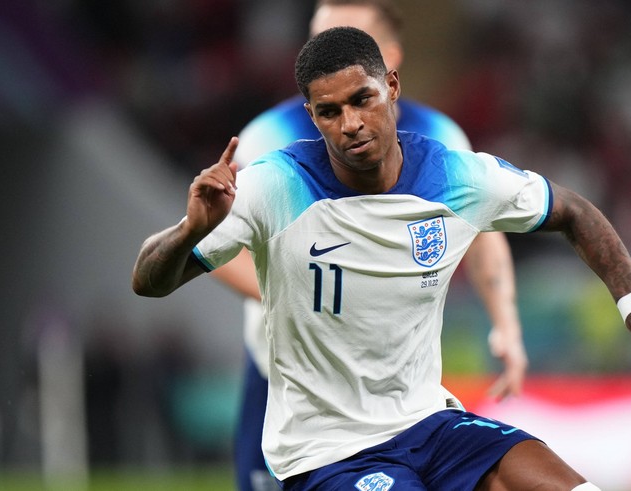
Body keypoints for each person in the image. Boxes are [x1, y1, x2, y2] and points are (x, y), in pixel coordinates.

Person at [132, 26, 631, 490]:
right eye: (329, 112)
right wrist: (190, 231)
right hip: (328, 450)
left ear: (391, 87)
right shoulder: (272, 186)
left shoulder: (455, 176)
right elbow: (148, 281)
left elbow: (572, 210)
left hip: (431, 424)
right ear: (311, 116)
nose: (350, 123)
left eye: (362, 100)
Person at [211, 2, 527, 488]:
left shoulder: (441, 137)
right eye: (318, 38)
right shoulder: (267, 139)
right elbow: (217, 246)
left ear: (389, 62)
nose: (328, 53)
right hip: (288, 377)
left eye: (348, 38)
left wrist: (505, 321)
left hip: (392, 389)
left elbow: (483, 229)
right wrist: (305, 303)